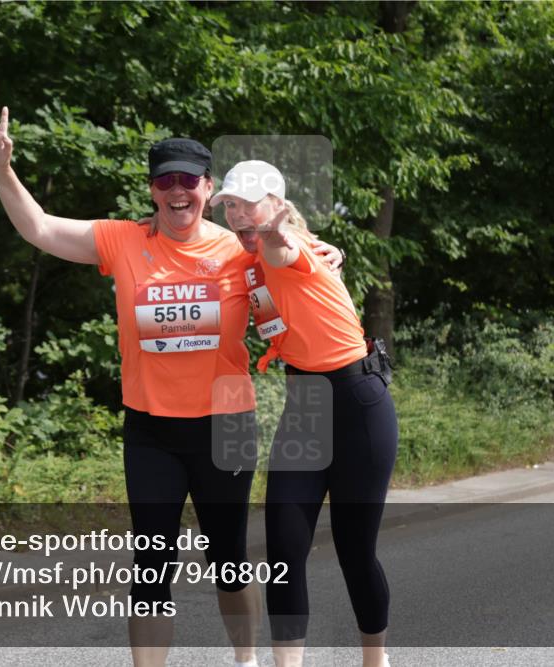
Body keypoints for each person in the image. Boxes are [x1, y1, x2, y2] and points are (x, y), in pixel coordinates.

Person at [0, 108, 343, 667]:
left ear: (208, 189)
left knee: (229, 561)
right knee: (151, 566)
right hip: (151, 431)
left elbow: (297, 264)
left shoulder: (238, 251)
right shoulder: (122, 240)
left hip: (226, 425)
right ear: (152, 190)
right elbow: (40, 228)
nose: (176, 191)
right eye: (165, 181)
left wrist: (334, 253)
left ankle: (245, 662)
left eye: (188, 180)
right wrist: (2, 169)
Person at [210, 160, 398, 667]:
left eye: (249, 204)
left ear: (277, 204)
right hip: (305, 407)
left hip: (359, 402)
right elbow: (194, 243)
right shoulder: (246, 255)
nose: (237, 214)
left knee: (355, 550)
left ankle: (375, 660)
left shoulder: (292, 249)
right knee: (284, 551)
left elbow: (282, 248)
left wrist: (274, 230)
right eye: (230, 205)